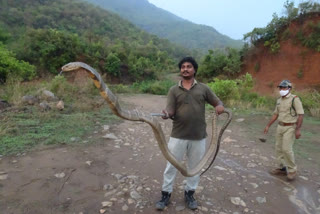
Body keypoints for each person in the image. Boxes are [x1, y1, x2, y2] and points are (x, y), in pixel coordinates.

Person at [155, 57, 224, 210]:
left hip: (198, 136)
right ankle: (165, 194)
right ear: (180, 70)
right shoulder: (173, 90)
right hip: (178, 135)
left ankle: (189, 194)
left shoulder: (204, 89)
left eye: (189, 66)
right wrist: (167, 113)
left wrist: (219, 107)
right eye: (183, 67)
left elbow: (218, 102)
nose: (185, 69)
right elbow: (171, 110)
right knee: (171, 166)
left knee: (195, 168)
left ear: (194, 70)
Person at [264, 80, 304, 181]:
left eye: (284, 88)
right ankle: (282, 168)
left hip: (290, 127)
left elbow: (301, 114)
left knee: (286, 149)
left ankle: (292, 170)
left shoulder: (295, 99)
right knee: (278, 148)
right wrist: (268, 125)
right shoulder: (279, 100)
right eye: (281, 88)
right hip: (280, 126)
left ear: (289, 89)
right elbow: (275, 114)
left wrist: (298, 130)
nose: (282, 90)